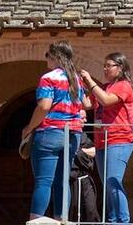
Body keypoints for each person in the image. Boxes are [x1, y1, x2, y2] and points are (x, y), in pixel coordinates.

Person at [19, 41, 87, 221]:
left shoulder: (49, 78)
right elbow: (86, 104)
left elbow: (44, 107)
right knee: (63, 181)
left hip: (50, 131)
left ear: (55, 56)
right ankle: (62, 220)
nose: (46, 59)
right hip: (73, 134)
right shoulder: (77, 80)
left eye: (47, 55)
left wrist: (28, 128)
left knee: (43, 181)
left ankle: (36, 222)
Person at [77, 52, 133, 223]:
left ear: (120, 68)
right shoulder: (103, 87)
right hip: (102, 142)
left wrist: (90, 81)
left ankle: (122, 220)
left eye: (108, 65)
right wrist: (78, 84)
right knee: (107, 185)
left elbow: (106, 101)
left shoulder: (124, 86)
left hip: (119, 140)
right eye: (104, 65)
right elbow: (87, 104)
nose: (105, 69)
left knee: (113, 181)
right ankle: (112, 219)